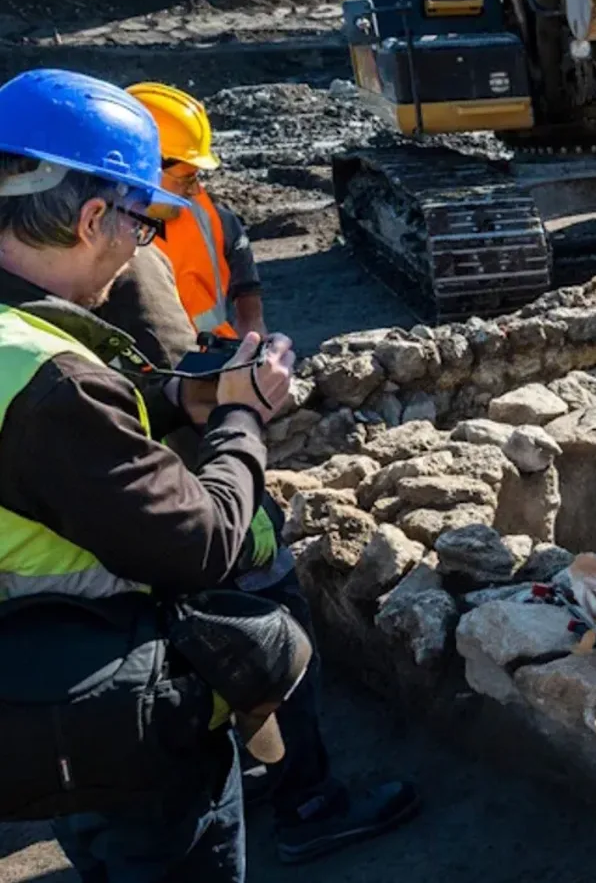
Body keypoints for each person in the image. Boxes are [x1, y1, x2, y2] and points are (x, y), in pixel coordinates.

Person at [89, 119, 423, 867]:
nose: (181, 191)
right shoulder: (121, 257)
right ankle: (308, 800)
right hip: (199, 489)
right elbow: (182, 396)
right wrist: (241, 405)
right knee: (271, 626)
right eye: (173, 176)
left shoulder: (155, 230)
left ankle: (266, 776)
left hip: (141, 513)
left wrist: (245, 341)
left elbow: (239, 282)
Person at [0, 68, 296, 882]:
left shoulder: (19, 347)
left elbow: (55, 441)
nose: (142, 246)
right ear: (92, 217)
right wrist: (241, 414)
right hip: (104, 700)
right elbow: (199, 545)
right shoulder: (49, 382)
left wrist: (179, 396)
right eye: (139, 225)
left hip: (38, 691)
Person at [125, 83, 265, 340]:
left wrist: (252, 325)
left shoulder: (204, 215)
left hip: (213, 365)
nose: (193, 191)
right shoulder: (92, 239)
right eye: (186, 178)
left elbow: (236, 250)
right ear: (144, 167)